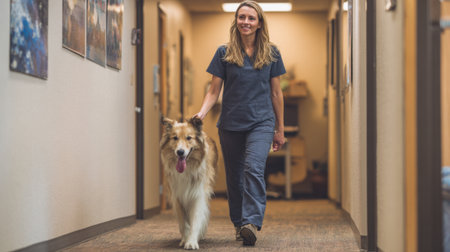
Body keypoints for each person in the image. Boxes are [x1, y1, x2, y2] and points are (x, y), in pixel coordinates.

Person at [193, 0, 286, 246]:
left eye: (251, 18)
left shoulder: (272, 53)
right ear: (236, 21)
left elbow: (276, 94)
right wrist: (202, 113)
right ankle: (239, 224)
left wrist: (280, 129)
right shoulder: (224, 53)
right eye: (241, 17)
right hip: (231, 123)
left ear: (259, 23)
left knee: (253, 168)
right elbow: (214, 91)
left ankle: (251, 222)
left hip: (262, 122)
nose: (245, 22)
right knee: (234, 177)